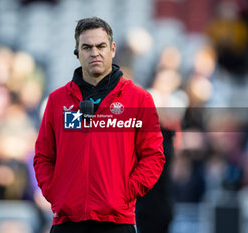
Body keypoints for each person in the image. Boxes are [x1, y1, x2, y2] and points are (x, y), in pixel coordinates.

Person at [34, 17, 165, 233]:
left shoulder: (139, 100)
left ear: (112, 49)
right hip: (67, 222)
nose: (95, 52)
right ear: (77, 52)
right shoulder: (57, 101)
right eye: (87, 47)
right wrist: (57, 194)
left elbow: (154, 156)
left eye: (101, 46)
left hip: (117, 222)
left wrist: (125, 193)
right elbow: (42, 157)